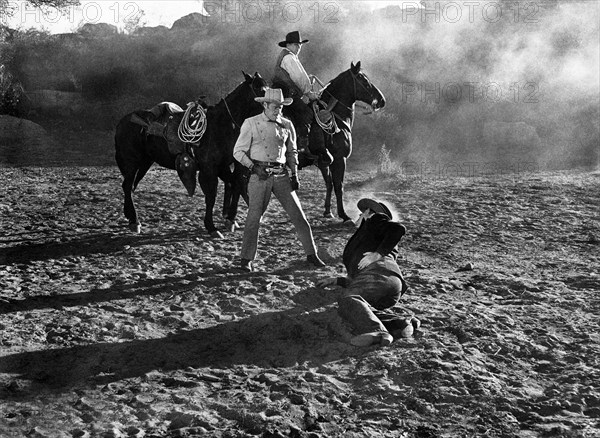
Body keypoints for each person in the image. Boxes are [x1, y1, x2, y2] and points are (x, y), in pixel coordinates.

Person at [233, 88, 326, 273]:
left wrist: (294, 175)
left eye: (281, 107)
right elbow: (237, 151)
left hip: (282, 175)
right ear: (265, 105)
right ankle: (246, 259)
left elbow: (292, 152)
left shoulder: (286, 124)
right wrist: (253, 167)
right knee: (254, 218)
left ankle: (312, 254)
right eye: (275, 107)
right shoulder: (250, 123)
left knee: (299, 216)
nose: (278, 111)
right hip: (259, 176)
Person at [318, 198, 419, 347]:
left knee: (348, 300)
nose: (357, 219)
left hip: (379, 276)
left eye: (360, 215)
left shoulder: (376, 219)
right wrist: (339, 281)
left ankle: (377, 331)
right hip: (388, 286)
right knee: (357, 310)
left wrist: (377, 255)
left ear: (367, 213)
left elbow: (398, 229)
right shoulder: (372, 235)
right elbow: (364, 280)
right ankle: (400, 323)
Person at [271, 31, 319, 152]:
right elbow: (299, 78)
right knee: (306, 113)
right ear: (291, 45)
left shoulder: (287, 56)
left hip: (284, 92)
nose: (299, 48)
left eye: (300, 45)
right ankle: (303, 147)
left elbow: (297, 77)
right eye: (298, 45)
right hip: (286, 94)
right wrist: (309, 93)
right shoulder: (289, 57)